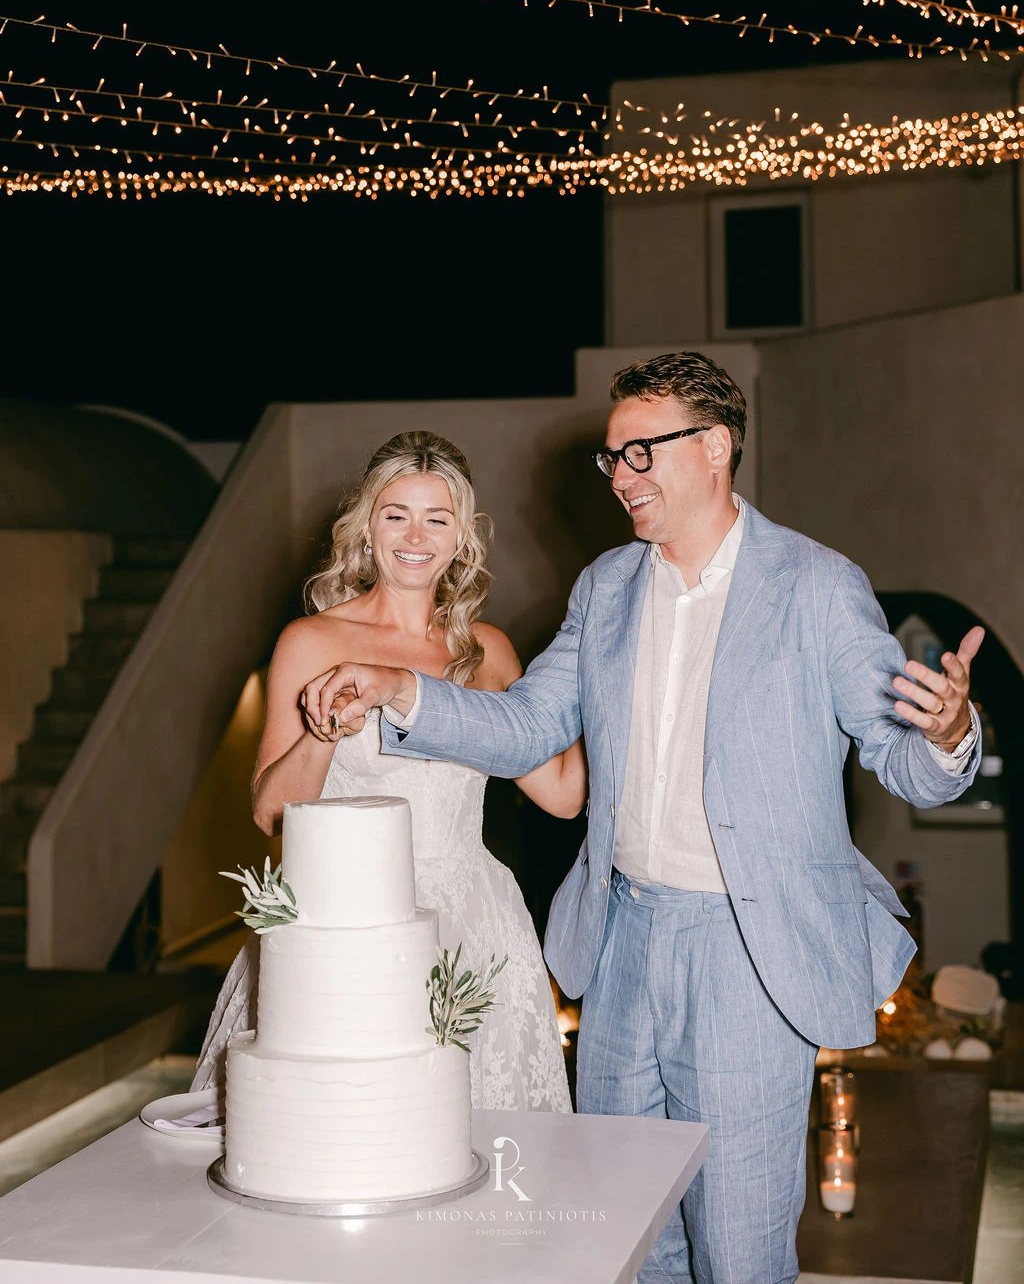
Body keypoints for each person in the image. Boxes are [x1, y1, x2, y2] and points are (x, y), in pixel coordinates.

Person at [305, 353, 984, 1284]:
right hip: (621, 944)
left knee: (739, 1249)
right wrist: (402, 692)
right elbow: (529, 725)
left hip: (747, 954)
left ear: (713, 447)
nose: (620, 477)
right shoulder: (607, 588)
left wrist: (951, 731)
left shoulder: (817, 586)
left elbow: (905, 759)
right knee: (626, 1240)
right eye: (612, 458)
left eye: (640, 453)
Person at [191, 429, 582, 1114]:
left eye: (438, 518)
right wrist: (322, 733)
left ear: (462, 536)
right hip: (348, 924)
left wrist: (596, 686)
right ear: (366, 527)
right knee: (344, 1128)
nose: (415, 535)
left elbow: (560, 794)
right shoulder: (311, 642)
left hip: (477, 924)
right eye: (396, 514)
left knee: (477, 1136)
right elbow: (270, 815)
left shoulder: (487, 651)